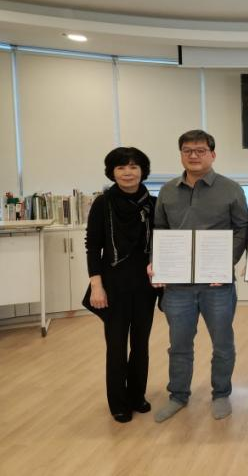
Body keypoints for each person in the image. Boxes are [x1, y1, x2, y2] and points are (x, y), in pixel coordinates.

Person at [151, 129, 248, 423]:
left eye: (200, 150)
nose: (193, 155)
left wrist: (226, 263)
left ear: (212, 154)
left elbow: (242, 228)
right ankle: (178, 395)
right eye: (187, 150)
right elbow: (160, 231)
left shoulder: (231, 189)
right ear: (181, 154)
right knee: (179, 345)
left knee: (222, 343)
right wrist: (158, 262)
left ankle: (221, 394)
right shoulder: (167, 190)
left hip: (217, 284)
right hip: (177, 285)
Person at [85, 146, 158, 423]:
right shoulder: (103, 204)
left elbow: (162, 242)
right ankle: (118, 402)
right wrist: (96, 286)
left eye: (133, 166)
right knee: (116, 346)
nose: (128, 172)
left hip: (145, 285)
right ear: (112, 172)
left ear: (143, 171)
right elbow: (93, 247)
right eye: (121, 167)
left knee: (141, 344)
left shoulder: (153, 203)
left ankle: (137, 395)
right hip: (113, 285)